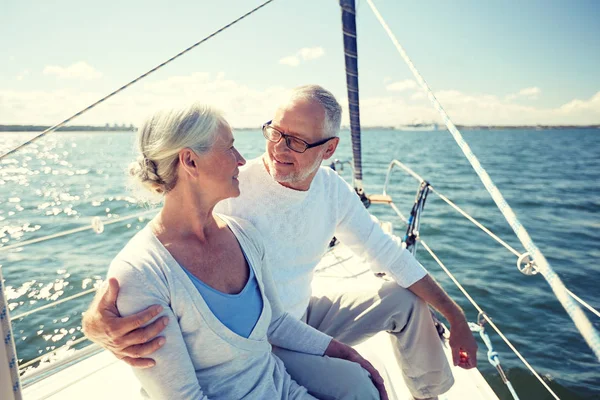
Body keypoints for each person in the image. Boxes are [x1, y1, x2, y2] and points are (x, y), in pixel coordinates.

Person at [84, 85, 478, 400]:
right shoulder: (232, 188)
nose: (275, 149)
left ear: (329, 149)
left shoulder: (328, 192)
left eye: (296, 142)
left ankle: (429, 395)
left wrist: (455, 314)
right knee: (357, 384)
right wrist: (96, 318)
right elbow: (163, 251)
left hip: (293, 318)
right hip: (261, 343)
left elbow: (388, 254)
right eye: (275, 133)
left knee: (404, 301)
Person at [101, 102, 387, 399]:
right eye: (230, 148)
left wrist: (347, 354)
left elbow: (275, 322)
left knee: (365, 389)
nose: (241, 160)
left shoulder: (243, 235)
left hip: (283, 390)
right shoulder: (142, 273)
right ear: (190, 162)